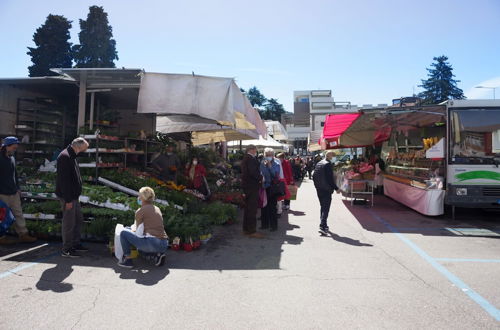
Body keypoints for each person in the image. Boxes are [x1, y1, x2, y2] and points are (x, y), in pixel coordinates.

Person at [118, 187, 168, 268]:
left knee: (123, 233)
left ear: (142, 198)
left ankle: (128, 260)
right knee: (139, 244)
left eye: (139, 196)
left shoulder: (140, 211)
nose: (138, 197)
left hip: (152, 243)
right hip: (164, 244)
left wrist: (133, 230)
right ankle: (157, 256)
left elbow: (139, 235)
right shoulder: (157, 208)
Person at [0, 136, 37, 245]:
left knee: (18, 214)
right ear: (7, 146)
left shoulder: (12, 158)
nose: (15, 150)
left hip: (13, 192)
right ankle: (1, 237)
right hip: (2, 193)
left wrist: (18, 188)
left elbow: (14, 174)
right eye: (14, 148)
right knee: (2, 216)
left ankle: (23, 234)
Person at [312, 150, 340, 232]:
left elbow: (314, 175)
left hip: (319, 189)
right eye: (333, 156)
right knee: (325, 208)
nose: (334, 158)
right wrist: (336, 188)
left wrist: (317, 186)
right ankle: (323, 225)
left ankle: (324, 224)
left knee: (323, 207)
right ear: (329, 156)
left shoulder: (319, 163)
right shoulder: (327, 164)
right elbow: (330, 179)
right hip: (326, 189)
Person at [241, 145, 264, 238]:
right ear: (251, 150)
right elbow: (253, 172)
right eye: (255, 149)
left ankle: (246, 229)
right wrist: (261, 178)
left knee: (248, 209)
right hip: (252, 186)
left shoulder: (246, 158)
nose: (256, 151)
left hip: (247, 186)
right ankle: (252, 231)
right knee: (252, 209)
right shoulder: (250, 159)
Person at [260, 148, 281, 232]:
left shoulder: (276, 164)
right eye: (267, 155)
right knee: (264, 206)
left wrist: (270, 167)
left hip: (272, 187)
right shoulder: (262, 163)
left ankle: (273, 226)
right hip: (263, 187)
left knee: (272, 207)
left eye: (270, 155)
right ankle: (264, 224)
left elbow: (275, 175)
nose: (268, 157)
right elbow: (260, 173)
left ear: (273, 156)